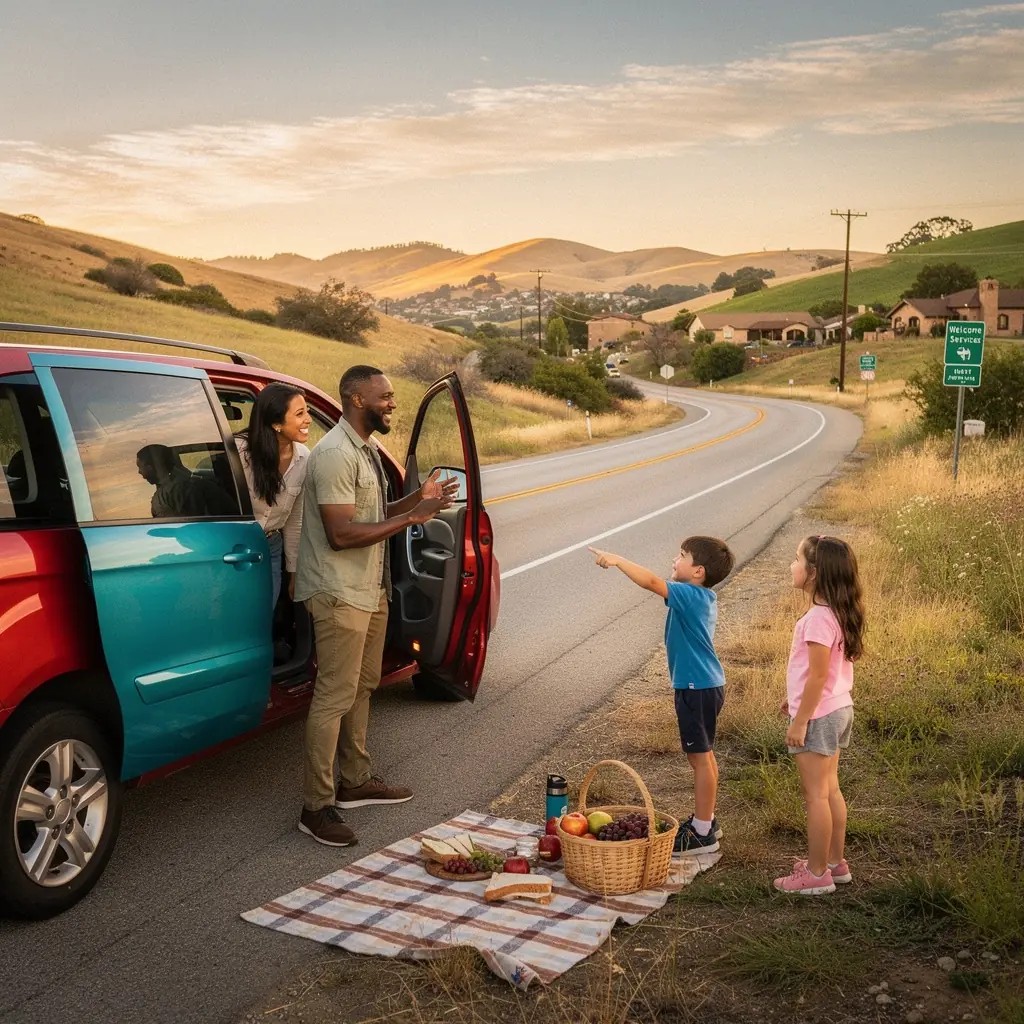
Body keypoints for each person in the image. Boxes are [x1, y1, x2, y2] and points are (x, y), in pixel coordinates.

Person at [293, 365, 460, 847]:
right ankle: (315, 807)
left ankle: (355, 781)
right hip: (339, 591)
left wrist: (417, 502)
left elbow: (371, 515)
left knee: (363, 685)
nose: (392, 403)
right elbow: (341, 534)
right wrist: (416, 516)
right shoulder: (333, 455)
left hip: (370, 589)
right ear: (356, 399)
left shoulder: (363, 451)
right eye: (384, 396)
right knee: (334, 695)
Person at [590, 535, 735, 856]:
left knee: (700, 759)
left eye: (682, 555)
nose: (675, 559)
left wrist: (618, 560)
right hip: (703, 686)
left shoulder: (690, 594)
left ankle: (702, 834)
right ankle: (707, 822)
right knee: (705, 757)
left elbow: (652, 582)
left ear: (698, 571)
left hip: (696, 688)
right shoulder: (701, 596)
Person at [774, 535, 865, 896]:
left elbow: (817, 676)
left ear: (813, 573)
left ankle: (815, 875)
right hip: (838, 708)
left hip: (819, 716)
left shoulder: (816, 619)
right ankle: (834, 863)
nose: (792, 566)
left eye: (796, 560)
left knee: (815, 796)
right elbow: (822, 677)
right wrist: (794, 700)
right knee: (830, 789)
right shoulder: (839, 612)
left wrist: (801, 720)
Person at [234, 382, 312, 609]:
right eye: (300, 414)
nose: (308, 420)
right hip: (235, 546)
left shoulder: (303, 459)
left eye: (307, 412)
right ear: (276, 423)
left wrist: (293, 572)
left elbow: (295, 520)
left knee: (265, 613)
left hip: (271, 547)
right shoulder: (240, 452)